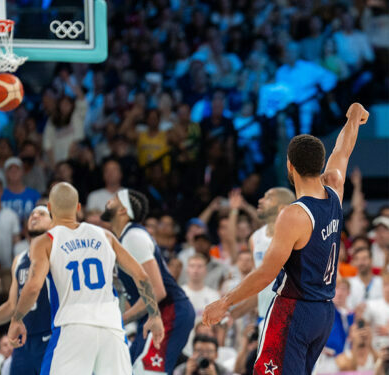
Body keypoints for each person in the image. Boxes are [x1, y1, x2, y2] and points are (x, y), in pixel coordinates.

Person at [202, 102, 369, 373]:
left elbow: (266, 273)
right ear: (319, 163)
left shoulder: (294, 214)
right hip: (322, 313)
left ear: (289, 166)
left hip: (294, 311)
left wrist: (224, 302)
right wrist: (353, 117)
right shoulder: (335, 189)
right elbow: (344, 148)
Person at [7, 182, 164, 375]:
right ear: (78, 208)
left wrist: (17, 319)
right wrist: (155, 315)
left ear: (49, 208)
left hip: (73, 328)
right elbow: (141, 276)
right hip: (112, 328)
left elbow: (32, 288)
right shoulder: (105, 235)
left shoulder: (45, 241)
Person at [102, 188, 195, 374]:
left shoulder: (133, 237)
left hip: (170, 312)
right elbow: (134, 295)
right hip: (153, 315)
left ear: (123, 210)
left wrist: (120, 320)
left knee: (147, 371)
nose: (108, 201)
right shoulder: (124, 239)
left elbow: (157, 290)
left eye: (113, 199)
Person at [0, 205, 54, 375]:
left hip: (50, 338)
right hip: (22, 341)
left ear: (53, 223)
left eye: (42, 214)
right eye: (32, 214)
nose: (35, 216)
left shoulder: (58, 252)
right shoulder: (19, 259)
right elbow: (12, 305)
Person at [233, 187, 296, 332]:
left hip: (291, 319)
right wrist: (233, 312)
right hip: (264, 319)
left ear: (282, 207)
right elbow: (258, 285)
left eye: (269, 198)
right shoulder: (255, 238)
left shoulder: (295, 238)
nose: (261, 200)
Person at [1, 157, 41, 223]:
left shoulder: (34, 195)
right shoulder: (0, 195)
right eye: (10, 170)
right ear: (6, 174)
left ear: (22, 172)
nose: (14, 172)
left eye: (17, 169)